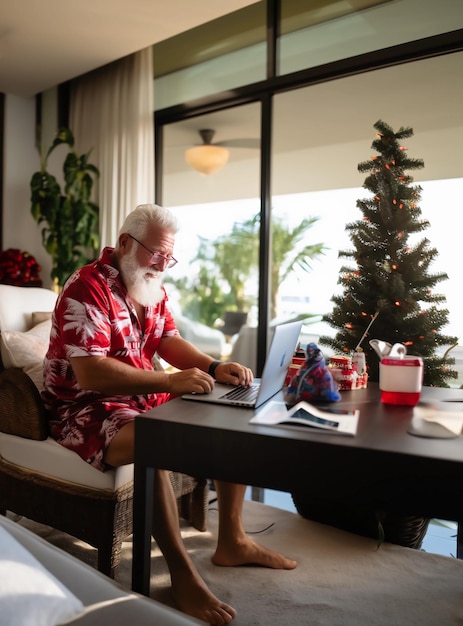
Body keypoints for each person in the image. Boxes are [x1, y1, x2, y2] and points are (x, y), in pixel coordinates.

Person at [43, 203, 297, 625]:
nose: (162, 264)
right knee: (158, 439)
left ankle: (232, 540)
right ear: (124, 243)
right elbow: (89, 371)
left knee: (229, 414)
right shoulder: (86, 288)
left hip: (139, 397)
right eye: (155, 254)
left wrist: (215, 368)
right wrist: (167, 382)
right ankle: (182, 574)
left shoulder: (149, 285)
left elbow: (168, 341)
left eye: (168, 257)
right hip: (84, 407)